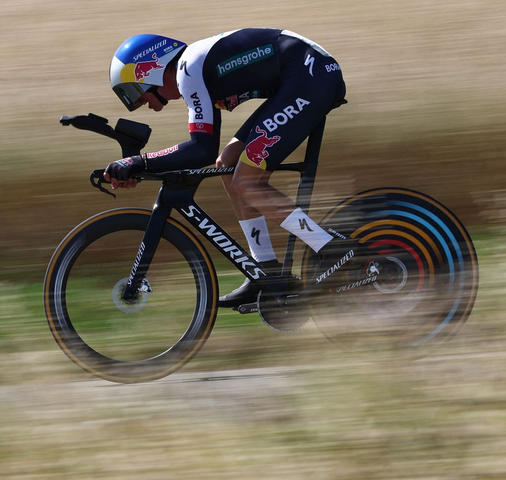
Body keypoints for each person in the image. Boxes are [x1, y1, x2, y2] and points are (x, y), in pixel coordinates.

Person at [104, 29, 351, 307]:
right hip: (303, 75)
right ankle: (265, 271)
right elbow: (208, 151)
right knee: (228, 165)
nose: (140, 104)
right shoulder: (194, 68)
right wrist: (141, 165)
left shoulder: (188, 70)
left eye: (133, 92)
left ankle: (332, 249)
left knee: (247, 182)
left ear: (150, 68)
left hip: (310, 75)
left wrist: (139, 162)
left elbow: (201, 150)